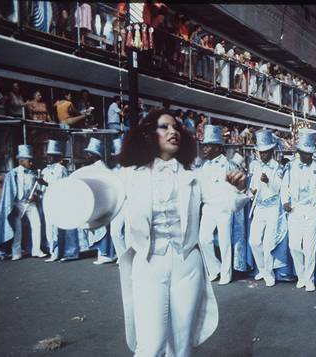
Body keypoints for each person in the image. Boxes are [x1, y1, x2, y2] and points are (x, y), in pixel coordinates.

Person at [45, 109, 247, 355]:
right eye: (164, 127)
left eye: (176, 128)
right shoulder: (129, 176)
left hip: (187, 266)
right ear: (149, 134)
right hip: (148, 265)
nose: (173, 132)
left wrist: (237, 186)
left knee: (181, 347)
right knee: (151, 345)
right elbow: (99, 197)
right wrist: (72, 201)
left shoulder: (193, 177)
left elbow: (225, 202)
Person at [281, 128, 316, 292]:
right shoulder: (290, 167)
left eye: (310, 153)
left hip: (312, 209)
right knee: (294, 246)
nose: (308, 156)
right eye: (304, 153)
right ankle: (301, 275)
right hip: (295, 209)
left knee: (310, 248)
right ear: (298, 151)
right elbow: (284, 188)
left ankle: (309, 279)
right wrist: (285, 202)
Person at [198, 125, 245, 285]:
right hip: (208, 207)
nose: (204, 149)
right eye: (204, 145)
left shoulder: (229, 164)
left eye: (208, 145)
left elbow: (236, 188)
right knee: (203, 239)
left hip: (223, 208)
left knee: (225, 242)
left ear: (218, 147)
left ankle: (226, 274)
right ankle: (214, 269)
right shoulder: (204, 166)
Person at [0, 145, 47, 260]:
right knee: (17, 230)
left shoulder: (33, 174)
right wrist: (12, 205)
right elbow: (9, 193)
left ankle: (36, 250)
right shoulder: (12, 174)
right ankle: (16, 252)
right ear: (21, 160)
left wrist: (36, 196)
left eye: (31, 161)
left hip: (31, 204)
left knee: (37, 225)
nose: (31, 163)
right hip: (18, 204)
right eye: (28, 161)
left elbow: (37, 190)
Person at [248, 129, 284, 287]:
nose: (263, 155)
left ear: (272, 151)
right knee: (254, 241)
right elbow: (252, 187)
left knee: (268, 243)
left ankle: (269, 274)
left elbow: (280, 188)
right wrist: (252, 191)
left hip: (273, 208)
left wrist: (269, 180)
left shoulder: (277, 167)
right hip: (259, 207)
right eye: (261, 152)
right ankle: (262, 269)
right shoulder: (255, 166)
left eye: (266, 152)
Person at [82, 137, 117, 265]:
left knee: (103, 227)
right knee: (98, 227)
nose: (86, 156)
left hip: (102, 201)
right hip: (96, 201)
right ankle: (103, 252)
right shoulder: (93, 167)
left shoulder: (101, 168)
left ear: (94, 155)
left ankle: (106, 253)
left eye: (88, 154)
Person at [39, 140, 70, 262]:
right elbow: (42, 188)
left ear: (57, 157)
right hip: (46, 201)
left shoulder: (61, 169)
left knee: (55, 227)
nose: (48, 158)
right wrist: (40, 187)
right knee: (49, 227)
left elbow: (59, 186)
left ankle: (57, 253)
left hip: (57, 201)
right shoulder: (45, 170)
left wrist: (44, 183)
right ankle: (53, 251)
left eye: (51, 156)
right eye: (48, 155)